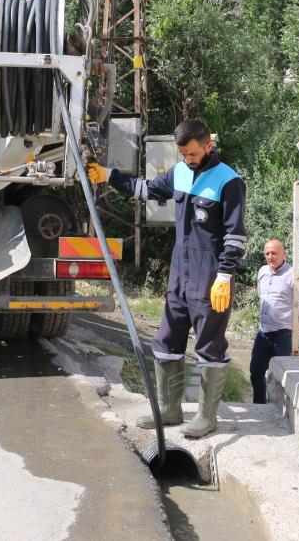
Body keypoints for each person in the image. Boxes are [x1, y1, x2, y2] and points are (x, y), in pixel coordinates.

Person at [87, 119, 246, 438]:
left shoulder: (228, 181)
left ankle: (206, 417)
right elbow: (147, 189)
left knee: (210, 344)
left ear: (208, 146)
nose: (187, 158)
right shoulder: (181, 172)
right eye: (183, 153)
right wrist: (109, 176)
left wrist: (225, 275)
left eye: (192, 153)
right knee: (166, 340)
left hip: (209, 275)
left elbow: (235, 234)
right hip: (180, 272)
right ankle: (169, 410)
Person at [249, 239, 299, 404]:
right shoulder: (262, 271)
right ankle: (259, 406)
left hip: (283, 334)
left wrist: (298, 322)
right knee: (256, 372)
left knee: (281, 375)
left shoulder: (293, 275)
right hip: (264, 332)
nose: (270, 256)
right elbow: (262, 296)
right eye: (267, 253)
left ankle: (279, 408)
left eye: (274, 253)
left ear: (284, 254)